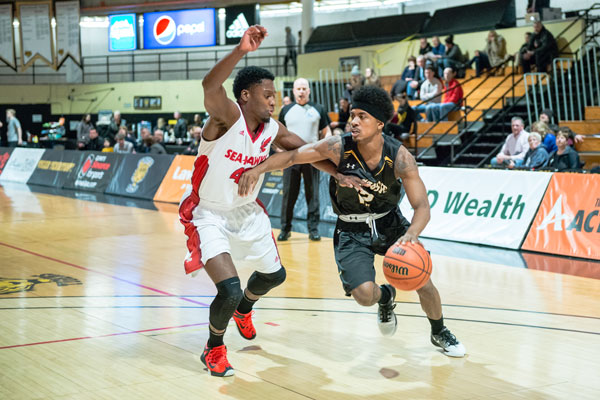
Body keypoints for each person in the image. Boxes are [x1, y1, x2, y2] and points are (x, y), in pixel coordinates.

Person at [238, 85, 466, 358]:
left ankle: (439, 331)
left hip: (389, 222)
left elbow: (422, 206)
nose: (354, 121)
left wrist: (413, 233)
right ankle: (386, 297)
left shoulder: (400, 156)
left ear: (380, 124)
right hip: (350, 227)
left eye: (362, 117)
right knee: (364, 295)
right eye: (353, 115)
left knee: (423, 281)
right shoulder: (337, 147)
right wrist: (257, 168)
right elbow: (293, 156)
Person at [179, 25, 353, 377]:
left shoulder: (273, 129)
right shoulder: (226, 118)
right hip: (208, 213)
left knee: (274, 275)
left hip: (245, 212)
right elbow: (209, 86)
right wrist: (240, 51)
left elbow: (304, 151)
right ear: (245, 96)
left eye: (276, 95)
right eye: (267, 94)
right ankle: (213, 348)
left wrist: (337, 174)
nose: (274, 100)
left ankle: (246, 308)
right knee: (227, 289)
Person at [278, 77, 332, 241]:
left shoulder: (319, 109)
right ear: (293, 91)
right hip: (290, 158)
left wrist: (325, 145)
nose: (301, 91)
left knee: (313, 193)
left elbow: (327, 131)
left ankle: (313, 229)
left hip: (312, 157)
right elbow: (279, 134)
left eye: (304, 88)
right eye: (298, 89)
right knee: (289, 195)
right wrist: (280, 150)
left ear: (308, 91)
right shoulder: (286, 110)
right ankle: (285, 229)